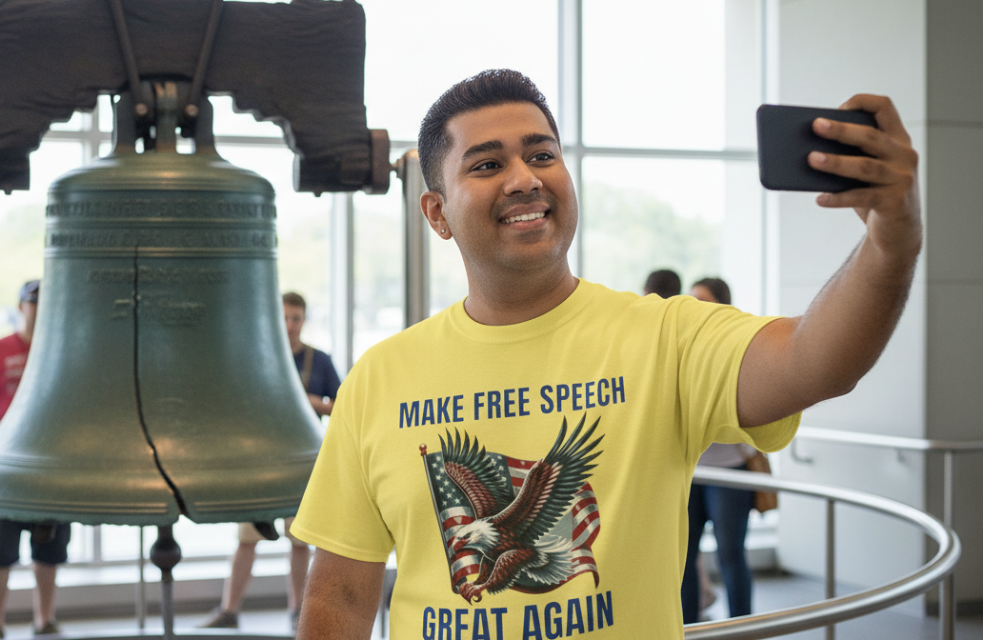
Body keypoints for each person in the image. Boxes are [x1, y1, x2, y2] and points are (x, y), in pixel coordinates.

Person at [289, 69, 921, 639]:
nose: (524, 178)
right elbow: (340, 596)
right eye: (486, 165)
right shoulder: (382, 377)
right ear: (437, 212)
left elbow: (816, 359)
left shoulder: (665, 337)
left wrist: (890, 246)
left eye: (542, 154)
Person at [199, 292, 343, 631]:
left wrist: (311, 403)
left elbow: (342, 406)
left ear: (303, 321)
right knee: (247, 539)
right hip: (261, 466)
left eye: (295, 318)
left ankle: (297, 610)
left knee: (299, 540)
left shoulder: (318, 361)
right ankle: (229, 609)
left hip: (301, 466)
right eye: (285, 318)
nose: (290, 325)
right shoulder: (258, 357)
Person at [0, 279, 69, 639]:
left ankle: (45, 618)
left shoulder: (61, 350)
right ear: (21, 305)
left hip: (49, 468)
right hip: (6, 470)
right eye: (33, 302)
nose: (38, 309)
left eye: (45, 303)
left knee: (49, 551)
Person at [681, 276, 758, 623]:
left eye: (702, 299)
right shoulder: (683, 344)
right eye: (691, 298)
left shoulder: (736, 345)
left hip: (728, 469)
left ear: (722, 306)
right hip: (691, 470)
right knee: (684, 554)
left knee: (730, 553)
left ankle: (743, 626)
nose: (694, 305)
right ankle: (687, 626)